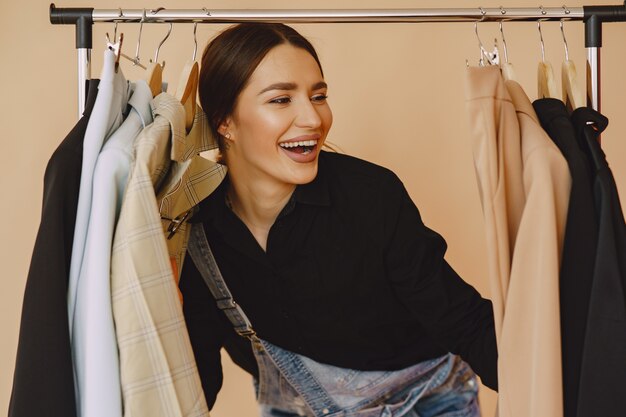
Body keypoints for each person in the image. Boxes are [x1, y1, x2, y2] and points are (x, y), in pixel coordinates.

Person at [180, 22, 497, 417]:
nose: (313, 119)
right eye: (281, 100)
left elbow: (463, 320)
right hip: (296, 407)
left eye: (319, 96)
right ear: (225, 121)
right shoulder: (197, 226)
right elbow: (197, 371)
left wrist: (565, 389)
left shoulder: (370, 196)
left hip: (423, 402)